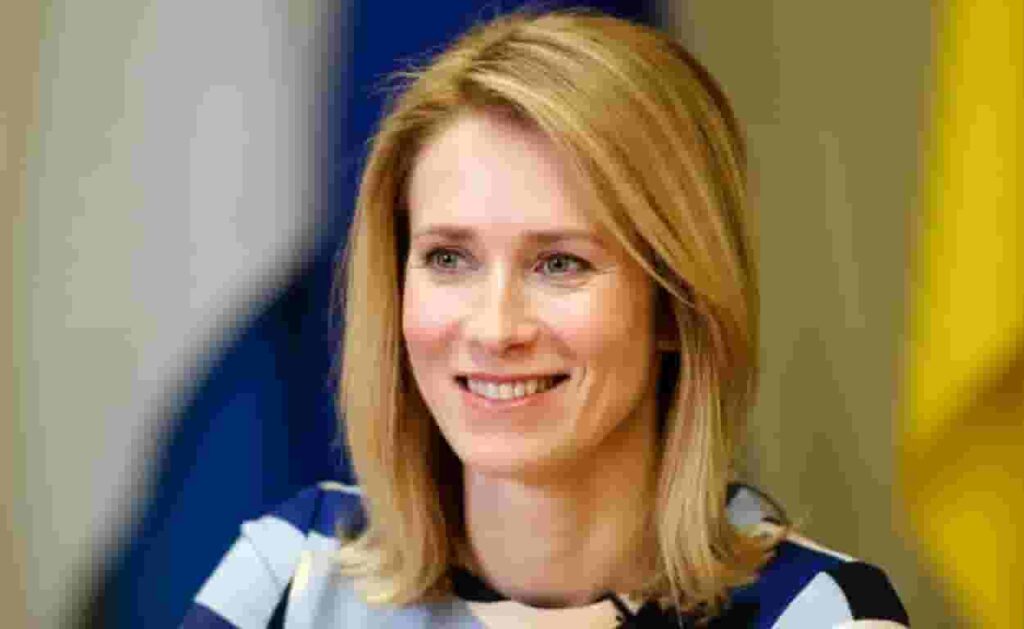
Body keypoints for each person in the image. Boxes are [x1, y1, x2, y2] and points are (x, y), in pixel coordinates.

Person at [182, 8, 909, 627]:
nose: (495, 328)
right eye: (449, 258)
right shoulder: (291, 575)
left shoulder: (817, 614)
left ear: (678, 302)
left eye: (560, 263)